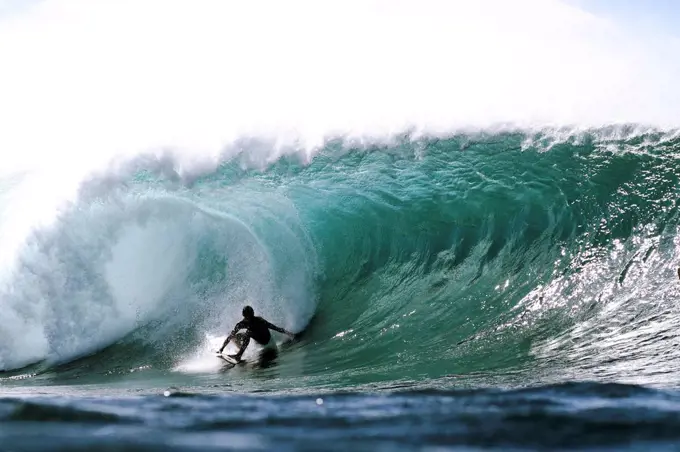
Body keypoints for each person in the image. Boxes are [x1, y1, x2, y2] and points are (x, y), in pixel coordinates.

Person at [218, 306, 295, 361]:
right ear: (244, 315)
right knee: (234, 335)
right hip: (257, 338)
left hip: (266, 340)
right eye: (248, 316)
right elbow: (231, 336)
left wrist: (289, 334)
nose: (250, 317)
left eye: (251, 315)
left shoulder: (259, 320)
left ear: (253, 314)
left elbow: (275, 328)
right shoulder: (241, 324)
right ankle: (241, 350)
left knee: (247, 333)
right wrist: (222, 348)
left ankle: (239, 355)